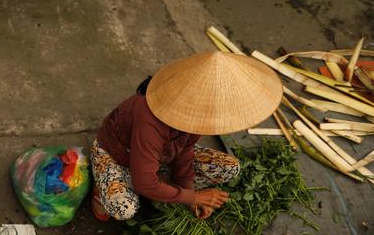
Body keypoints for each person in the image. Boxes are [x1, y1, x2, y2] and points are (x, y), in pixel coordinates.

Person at [90, 51, 282, 221]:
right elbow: (144, 182)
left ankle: (161, 185)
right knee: (124, 208)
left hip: (160, 155)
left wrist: (189, 192)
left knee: (230, 167)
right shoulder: (149, 119)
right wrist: (194, 197)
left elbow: (185, 150)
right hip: (118, 155)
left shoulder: (196, 114)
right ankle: (106, 188)